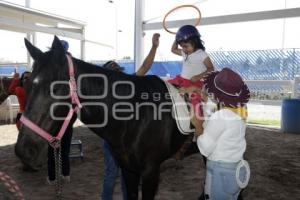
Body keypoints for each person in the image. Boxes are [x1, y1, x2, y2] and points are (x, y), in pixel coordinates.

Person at [100, 33, 160, 200]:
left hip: (127, 141)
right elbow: (145, 67)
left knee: (125, 175)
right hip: (114, 141)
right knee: (114, 174)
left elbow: (145, 67)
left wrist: (154, 47)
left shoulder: (126, 85)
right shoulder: (105, 94)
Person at [195, 68, 251, 200]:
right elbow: (220, 123)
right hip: (235, 168)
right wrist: (206, 103)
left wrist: (198, 126)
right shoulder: (239, 112)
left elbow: (205, 148)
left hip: (220, 170)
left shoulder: (220, 116)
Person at [169, 25, 214, 135]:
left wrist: (199, 76)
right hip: (181, 80)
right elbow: (173, 49)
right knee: (166, 87)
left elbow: (211, 68)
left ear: (195, 41)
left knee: (194, 102)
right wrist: (177, 38)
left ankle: (199, 126)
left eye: (186, 46)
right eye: (182, 46)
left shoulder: (201, 54)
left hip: (195, 84)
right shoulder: (185, 52)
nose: (184, 49)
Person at [47, 40, 73, 185]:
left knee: (54, 149)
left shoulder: (58, 69)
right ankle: (63, 174)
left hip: (58, 115)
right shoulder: (68, 68)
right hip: (63, 115)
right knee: (62, 147)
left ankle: (55, 176)